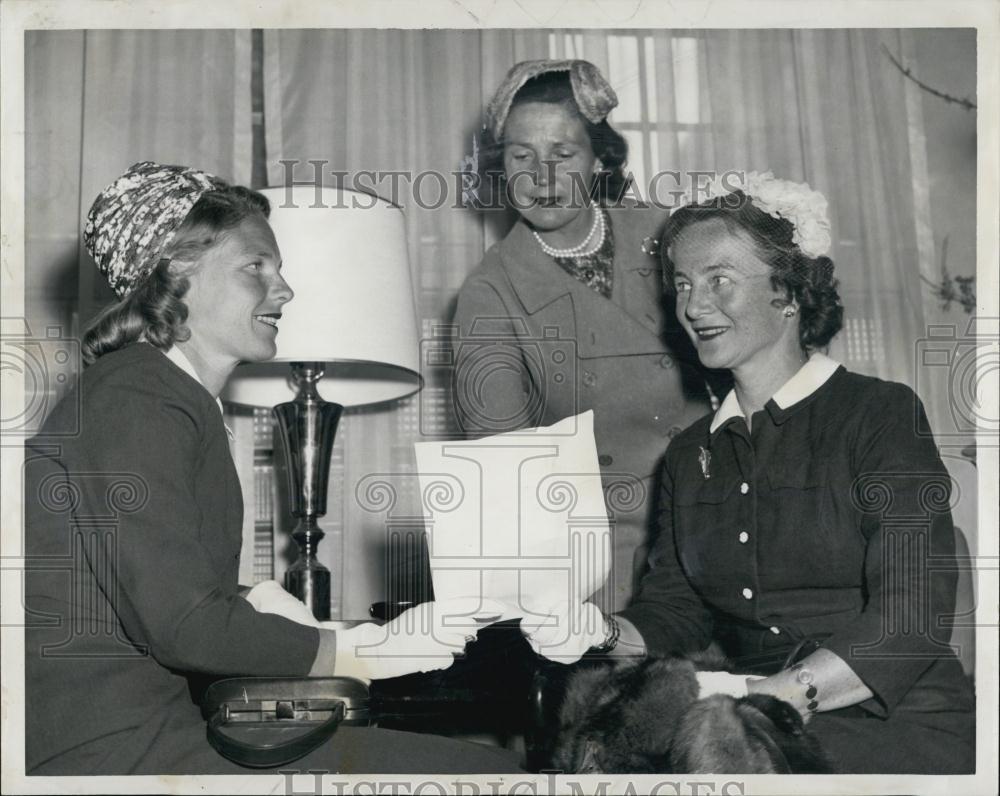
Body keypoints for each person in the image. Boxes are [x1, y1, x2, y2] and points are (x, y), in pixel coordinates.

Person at [24, 161, 520, 775]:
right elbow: (185, 626)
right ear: (177, 274)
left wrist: (258, 598)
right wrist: (364, 649)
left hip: (147, 735)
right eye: (255, 267)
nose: (283, 290)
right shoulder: (135, 397)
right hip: (109, 752)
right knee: (491, 775)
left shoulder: (158, 394)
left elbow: (157, 586)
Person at [518, 172, 976, 774]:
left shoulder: (878, 414)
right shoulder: (688, 454)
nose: (693, 306)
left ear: (787, 293)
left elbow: (911, 616)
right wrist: (594, 631)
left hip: (896, 722)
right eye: (682, 284)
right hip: (744, 722)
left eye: (720, 282)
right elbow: (674, 612)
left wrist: (776, 698)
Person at [453, 60, 713, 613]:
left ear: (599, 159)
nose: (541, 178)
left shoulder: (668, 235)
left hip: (714, 519)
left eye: (562, 155)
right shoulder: (489, 292)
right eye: (522, 157)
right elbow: (505, 464)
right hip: (600, 554)